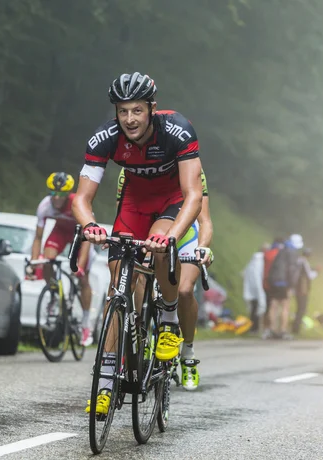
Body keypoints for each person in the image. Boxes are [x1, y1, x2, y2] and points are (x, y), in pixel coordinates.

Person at [73, 72, 205, 414]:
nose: (129, 119)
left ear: (151, 109)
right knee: (118, 284)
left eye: (136, 110)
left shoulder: (177, 129)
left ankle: (169, 321)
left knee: (158, 247)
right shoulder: (105, 138)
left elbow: (193, 195)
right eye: (122, 111)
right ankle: (105, 383)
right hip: (133, 204)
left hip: (171, 202)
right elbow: (81, 198)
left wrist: (172, 235)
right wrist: (89, 225)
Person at [115, 166, 214, 391]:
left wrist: (203, 247)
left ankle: (187, 353)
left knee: (185, 290)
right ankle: (142, 335)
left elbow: (205, 219)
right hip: (151, 232)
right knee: (141, 276)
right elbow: (124, 211)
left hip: (185, 235)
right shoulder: (129, 170)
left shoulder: (191, 169)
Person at [25, 172, 95, 346]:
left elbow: (88, 238)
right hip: (61, 232)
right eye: (52, 193)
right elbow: (38, 238)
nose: (56, 198)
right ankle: (55, 293)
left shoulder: (77, 203)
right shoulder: (44, 206)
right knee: (46, 259)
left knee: (83, 277)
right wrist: (34, 262)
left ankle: (86, 324)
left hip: (81, 236)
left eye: (61, 194)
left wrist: (80, 265)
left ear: (68, 193)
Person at [263, 234, 302, 340]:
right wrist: (291, 285)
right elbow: (292, 270)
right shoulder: (292, 253)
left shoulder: (281, 250)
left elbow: (274, 266)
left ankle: (271, 330)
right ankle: (283, 331)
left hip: (273, 280)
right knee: (285, 306)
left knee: (274, 306)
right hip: (284, 282)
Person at [243, 243, 269, 333]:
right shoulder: (260, 260)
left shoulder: (253, 260)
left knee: (253, 308)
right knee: (257, 308)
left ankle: (253, 327)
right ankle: (256, 328)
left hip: (251, 289)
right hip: (259, 287)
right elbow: (259, 275)